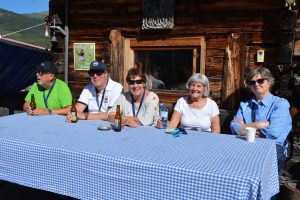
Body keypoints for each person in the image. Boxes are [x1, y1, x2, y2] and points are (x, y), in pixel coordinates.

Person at [230, 67, 292, 172]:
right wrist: (260, 124)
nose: (256, 84)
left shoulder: (280, 104)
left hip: (273, 147)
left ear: (269, 83)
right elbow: (234, 127)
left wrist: (245, 127)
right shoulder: (244, 105)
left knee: (265, 181)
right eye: (252, 82)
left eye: (260, 81)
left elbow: (274, 133)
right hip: (247, 145)